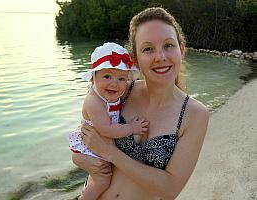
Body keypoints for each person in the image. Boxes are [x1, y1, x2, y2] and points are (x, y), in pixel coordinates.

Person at [73, 7, 209, 200]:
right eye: (148, 49)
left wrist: (110, 153)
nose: (160, 57)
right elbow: (85, 135)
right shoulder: (121, 91)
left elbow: (170, 190)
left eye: (168, 45)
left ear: (182, 49)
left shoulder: (195, 114)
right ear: (135, 60)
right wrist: (80, 159)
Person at [69, 42, 149, 200]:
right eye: (107, 76)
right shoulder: (94, 101)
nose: (114, 83)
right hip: (89, 146)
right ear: (93, 79)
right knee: (102, 180)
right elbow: (106, 129)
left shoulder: (113, 94)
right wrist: (132, 128)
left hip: (101, 145)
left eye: (121, 78)